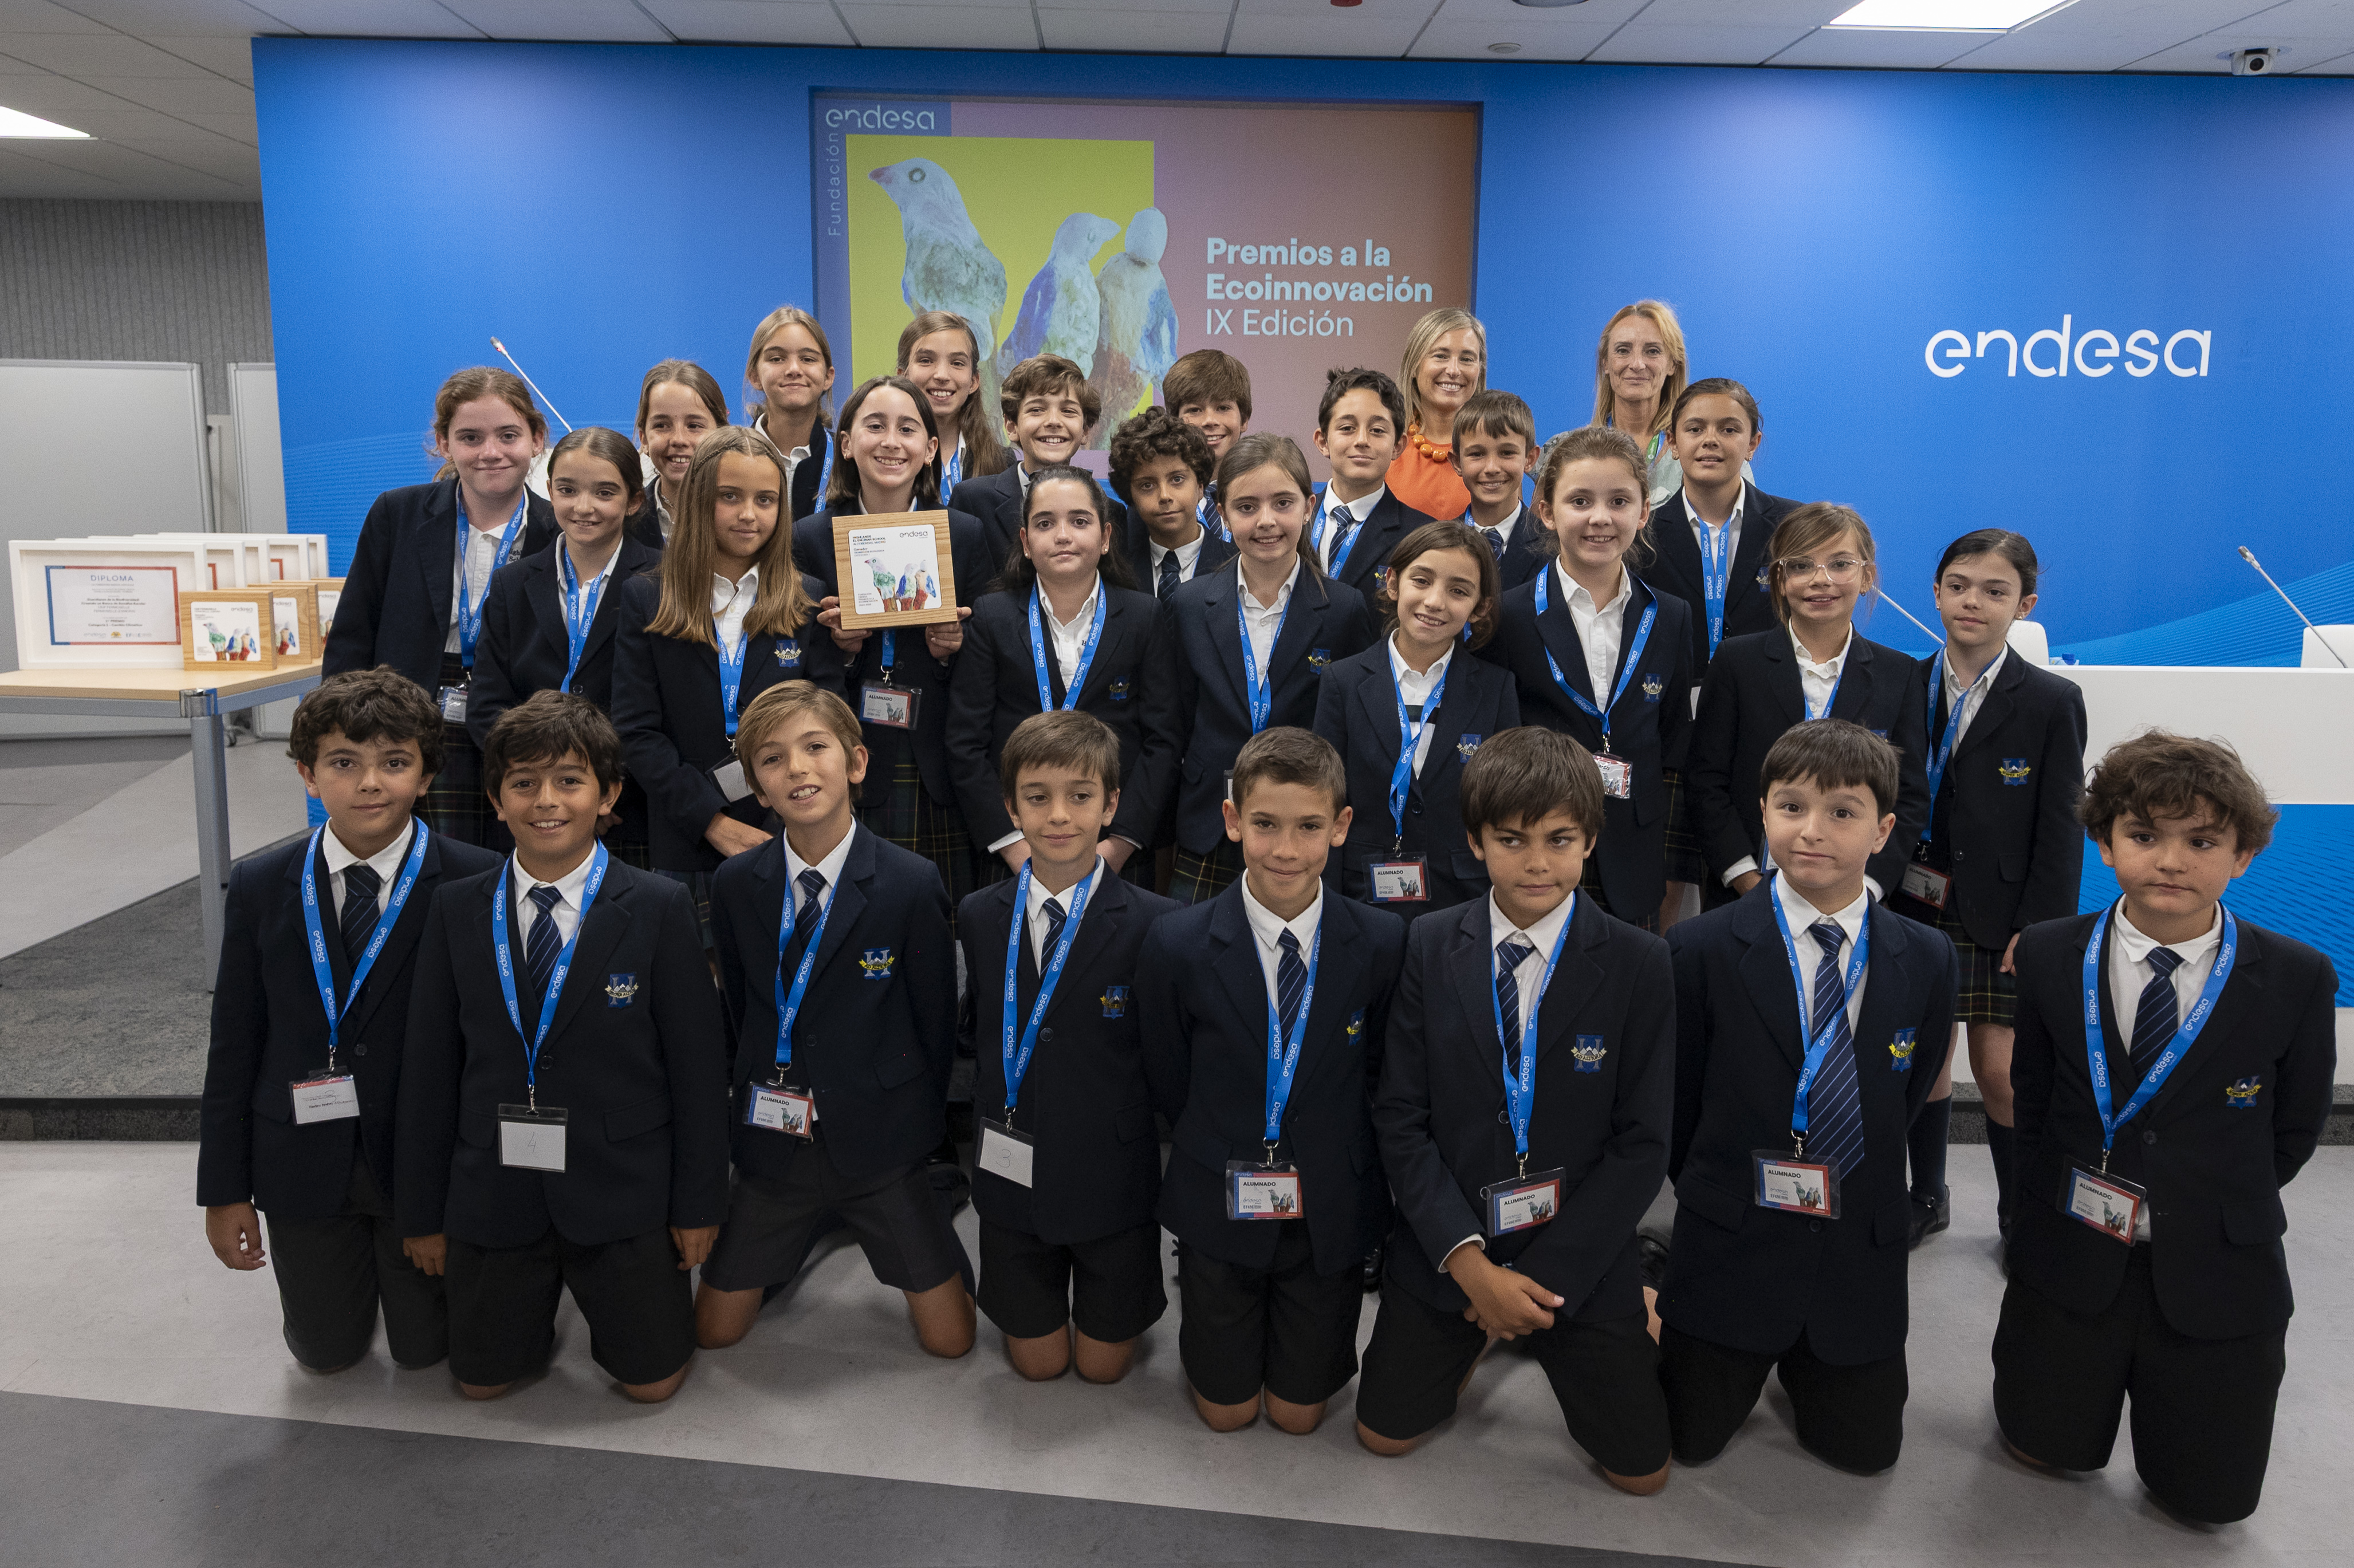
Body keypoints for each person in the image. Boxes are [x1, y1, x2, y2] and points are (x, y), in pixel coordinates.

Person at [1993, 732, 2335, 1524]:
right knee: (2041, 1445)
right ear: (2105, 843)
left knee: (2208, 1500)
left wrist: (2199, 1198)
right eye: (2144, 835)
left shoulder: (2295, 976)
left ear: (2243, 854)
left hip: (2216, 1257)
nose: (2171, 861)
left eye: (2202, 841)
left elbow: (2292, 1129)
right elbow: (2032, 1097)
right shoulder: (2047, 953)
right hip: (2072, 1246)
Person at [1356, 727, 1673, 1494]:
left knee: (1641, 1474)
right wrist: (1473, 1269)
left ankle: (1633, 1295)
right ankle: (1479, 1332)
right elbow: (1400, 1117)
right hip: (1453, 1240)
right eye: (1511, 839)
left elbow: (1643, 1144)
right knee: (1381, 1435)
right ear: (1474, 841)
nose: (1537, 862)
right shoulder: (1428, 944)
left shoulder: (1641, 960)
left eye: (1559, 839)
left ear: (1590, 838)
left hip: (1577, 1251)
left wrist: (1535, 1283)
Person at [394, 691, 731, 1403]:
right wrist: (423, 1214)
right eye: (524, 782)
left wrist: (698, 1204)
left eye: (570, 780)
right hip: (495, 1186)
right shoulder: (455, 908)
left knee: (653, 1385)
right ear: (496, 799)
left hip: (622, 1187)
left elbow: (699, 1073)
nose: (546, 800)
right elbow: (428, 1071)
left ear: (608, 795)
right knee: (480, 1385)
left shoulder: (659, 906)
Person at [1659, 720, 1958, 1472]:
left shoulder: (1926, 955)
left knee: (1865, 1455)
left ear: (1883, 829)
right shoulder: (1697, 948)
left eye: (1842, 811)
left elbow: (1909, 1091)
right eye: (1791, 806)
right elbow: (1678, 1103)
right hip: (1730, 1241)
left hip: (1857, 1250)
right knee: (1684, 1443)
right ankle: (1658, 1306)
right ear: (1762, 812)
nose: (1812, 830)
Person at [198, 669, 505, 1376]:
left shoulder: (478, 879)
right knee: (325, 1353)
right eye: (343, 762)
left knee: (427, 1352)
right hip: (301, 1161)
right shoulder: (260, 884)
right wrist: (224, 1189)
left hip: (423, 1166)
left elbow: (487, 1050)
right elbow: (234, 1045)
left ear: (426, 775)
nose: (370, 783)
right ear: (307, 774)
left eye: (394, 762)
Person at [693, 683, 975, 1359]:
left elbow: (935, 1024)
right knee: (713, 1332)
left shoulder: (910, 881)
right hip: (774, 1141)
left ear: (856, 762)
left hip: (881, 1142)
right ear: (757, 788)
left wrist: (911, 1125)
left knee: (951, 1340)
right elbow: (741, 1005)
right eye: (772, 758)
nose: (797, 768)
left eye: (815, 746)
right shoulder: (735, 884)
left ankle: (917, 1200)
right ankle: (810, 1224)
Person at [1139, 726, 1407, 1434]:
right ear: (1232, 820)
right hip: (1219, 1195)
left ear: (1341, 826)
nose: (1286, 848)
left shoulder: (1382, 942)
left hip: (1329, 1208)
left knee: (1298, 1415)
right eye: (1265, 824)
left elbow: (1381, 1074)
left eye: (1309, 826)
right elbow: (1170, 1074)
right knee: (1226, 1412)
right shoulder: (1177, 941)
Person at [957, 710, 1180, 1381]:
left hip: (1112, 1177)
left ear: (1111, 804)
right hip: (1010, 1167)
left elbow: (1168, 1059)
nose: (1059, 815)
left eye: (1080, 796)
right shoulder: (978, 915)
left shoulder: (1159, 924)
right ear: (1011, 807)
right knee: (1039, 1364)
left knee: (1104, 1367)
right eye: (1038, 796)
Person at [1892, 530, 2086, 1246]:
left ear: (2024, 605)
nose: (1972, 601)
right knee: (1923, 1061)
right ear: (1936, 592)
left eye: (1995, 590)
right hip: (1908, 901)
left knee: (2000, 1070)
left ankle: (2019, 1211)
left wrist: (2039, 928)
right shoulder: (1899, 682)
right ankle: (1927, 1194)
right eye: (1959, 585)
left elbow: (2062, 826)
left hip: (2002, 914)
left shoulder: (2051, 700)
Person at [610, 427, 844, 940]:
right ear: (698, 500)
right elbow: (636, 731)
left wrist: (787, 814)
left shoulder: (807, 598)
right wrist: (711, 821)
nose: (749, 514)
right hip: (685, 834)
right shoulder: (647, 597)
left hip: (789, 829)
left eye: (766, 500)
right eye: (730, 497)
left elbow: (828, 720)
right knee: (693, 977)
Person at [323, 367, 556, 844]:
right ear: (444, 443)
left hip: (518, 719)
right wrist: (342, 738)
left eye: (508, 435)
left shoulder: (561, 531)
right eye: (470, 438)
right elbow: (353, 634)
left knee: (511, 858)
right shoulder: (397, 514)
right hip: (405, 717)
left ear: (536, 440)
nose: (490, 452)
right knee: (421, 859)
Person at [790, 376, 992, 908]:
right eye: (874, 426)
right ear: (846, 443)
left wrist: (954, 648)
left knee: (940, 926)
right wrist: (842, 651)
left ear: (930, 449)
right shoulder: (810, 537)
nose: (890, 442)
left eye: (907, 429)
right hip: (848, 755)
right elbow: (794, 664)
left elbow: (991, 650)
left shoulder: (964, 533)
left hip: (939, 760)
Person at [1482, 427, 1692, 931]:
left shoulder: (1671, 616)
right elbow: (1495, 738)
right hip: (1536, 851)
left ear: (1644, 512)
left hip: (1634, 861)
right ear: (1547, 512)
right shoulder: (1508, 615)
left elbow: (1672, 745)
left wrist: (1668, 870)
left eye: (1619, 501)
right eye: (1580, 501)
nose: (1600, 518)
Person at [1687, 503, 1929, 911]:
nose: (1821, 580)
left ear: (1867, 577)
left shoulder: (1899, 673)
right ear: (1780, 580)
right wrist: (1746, 881)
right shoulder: (1736, 663)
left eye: (1840, 564)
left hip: (1853, 899)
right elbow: (1706, 781)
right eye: (1801, 566)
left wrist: (1867, 890)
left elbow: (1908, 797)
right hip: (1746, 894)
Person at [1165, 434, 1375, 903]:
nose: (1266, 521)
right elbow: (1176, 718)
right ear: (1222, 515)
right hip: (1211, 821)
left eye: (1283, 503)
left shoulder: (1344, 609)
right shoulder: (1190, 604)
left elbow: (1353, 728)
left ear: (1309, 508)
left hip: (1300, 826)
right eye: (1246, 507)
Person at [946, 466, 1177, 885]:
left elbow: (1163, 741)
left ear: (1106, 538)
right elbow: (965, 742)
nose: (1063, 535)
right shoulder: (992, 617)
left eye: (1080, 521)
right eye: (1045, 523)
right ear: (1025, 542)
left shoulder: (1143, 616)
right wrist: (1011, 846)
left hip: (1114, 848)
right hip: (1017, 847)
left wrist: (1120, 845)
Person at [468, 427, 664, 868]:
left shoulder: (664, 580)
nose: (583, 507)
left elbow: (669, 709)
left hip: (629, 807)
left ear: (634, 500)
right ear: (549, 491)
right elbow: (487, 707)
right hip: (536, 808)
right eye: (568, 490)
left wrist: (602, 794)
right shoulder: (512, 583)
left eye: (605, 492)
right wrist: (545, 786)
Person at [1641, 378, 1797, 927]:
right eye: (1695, 428)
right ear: (1672, 442)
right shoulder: (1640, 532)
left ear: (1753, 443)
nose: (1711, 440)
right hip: (1670, 738)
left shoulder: (1794, 528)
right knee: (1660, 895)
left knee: (1745, 899)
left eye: (1729, 429)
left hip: (1762, 736)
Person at [1312, 520, 1518, 912]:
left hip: (1463, 896)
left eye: (1459, 591)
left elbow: (1504, 803)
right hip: (1361, 891)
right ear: (1393, 583)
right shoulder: (1342, 681)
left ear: (1480, 608)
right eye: (1421, 581)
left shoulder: (1496, 688)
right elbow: (1326, 797)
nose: (1435, 601)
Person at [951, 353, 1130, 569]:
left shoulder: (1111, 511)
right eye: (1037, 410)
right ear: (1011, 426)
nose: (1054, 421)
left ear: (1085, 430)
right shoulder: (973, 500)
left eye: (1068, 411)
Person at [1308, 367, 1431, 602]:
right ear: (1323, 442)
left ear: (1398, 446)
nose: (1362, 441)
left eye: (1377, 430)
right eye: (1347, 428)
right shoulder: (1291, 520)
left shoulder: (1421, 535)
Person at [1108, 405, 1233, 601]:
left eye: (1177, 479)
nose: (1165, 496)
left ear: (1200, 486)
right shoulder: (1116, 571)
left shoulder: (1236, 563)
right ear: (1130, 495)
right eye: (1147, 485)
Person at [1385, 308, 1486, 521]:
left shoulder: (1496, 447)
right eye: (1441, 356)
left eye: (1467, 359)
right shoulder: (1387, 442)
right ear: (1414, 366)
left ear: (1480, 370)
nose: (1454, 370)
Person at [742, 304, 840, 518]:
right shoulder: (727, 458)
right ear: (755, 376)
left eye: (808, 359)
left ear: (828, 377)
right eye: (777, 359)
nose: (794, 370)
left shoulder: (848, 460)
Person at [1589, 301, 1688, 506]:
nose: (1637, 364)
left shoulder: (1702, 451)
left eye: (1652, 351)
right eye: (1623, 350)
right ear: (1605, 363)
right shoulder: (1569, 453)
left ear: (1673, 364)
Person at [899, 310, 1009, 494]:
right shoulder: (887, 460)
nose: (942, 375)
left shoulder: (1004, 464)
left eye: (957, 363)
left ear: (974, 381)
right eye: (926, 361)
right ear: (903, 376)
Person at [1451, 389, 1544, 590]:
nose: (1492, 468)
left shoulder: (1555, 545)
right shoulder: (1437, 544)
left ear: (1530, 459)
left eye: (1507, 453)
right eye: (1477, 454)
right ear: (1457, 462)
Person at [631, 360, 729, 547]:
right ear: (644, 440)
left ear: (722, 433)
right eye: (662, 426)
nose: (679, 439)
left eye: (694, 426)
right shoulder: (624, 522)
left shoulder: (744, 517)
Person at [1163, 348, 1251, 537]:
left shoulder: (1264, 494)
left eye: (1223, 408)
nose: (1210, 421)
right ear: (1174, 421)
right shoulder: (1160, 499)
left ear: (1244, 419)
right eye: (1195, 410)